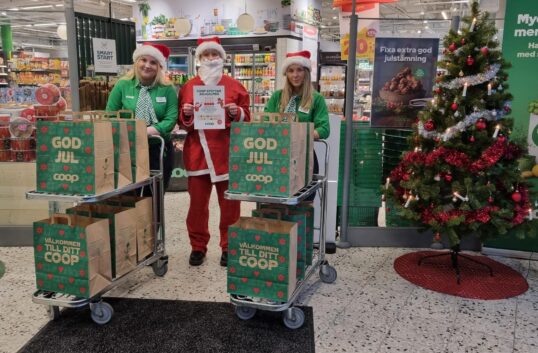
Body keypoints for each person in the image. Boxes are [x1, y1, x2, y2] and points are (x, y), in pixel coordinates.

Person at [178, 37, 250, 267]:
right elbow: (183, 123)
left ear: (222, 59)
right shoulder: (189, 87)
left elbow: (247, 117)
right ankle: (198, 246)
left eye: (214, 55)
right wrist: (187, 113)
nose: (210, 59)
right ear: (199, 59)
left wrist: (235, 111)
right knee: (197, 206)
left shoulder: (236, 86)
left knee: (230, 205)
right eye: (206, 55)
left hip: (226, 153)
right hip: (197, 153)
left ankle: (229, 246)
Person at [106, 42, 178, 191]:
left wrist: (147, 131)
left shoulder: (167, 89)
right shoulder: (122, 85)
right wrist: (130, 131)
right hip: (128, 149)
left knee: (155, 195)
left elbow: (171, 119)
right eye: (143, 60)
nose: (147, 65)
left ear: (159, 67)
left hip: (158, 149)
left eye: (153, 62)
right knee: (130, 194)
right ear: (136, 62)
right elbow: (110, 114)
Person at [264, 50, 330, 173]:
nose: (295, 75)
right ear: (286, 74)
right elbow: (266, 120)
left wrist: (298, 134)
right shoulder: (277, 97)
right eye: (291, 71)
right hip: (277, 154)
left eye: (299, 70)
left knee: (305, 192)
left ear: (306, 72)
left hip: (304, 156)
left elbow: (324, 129)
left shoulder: (316, 99)